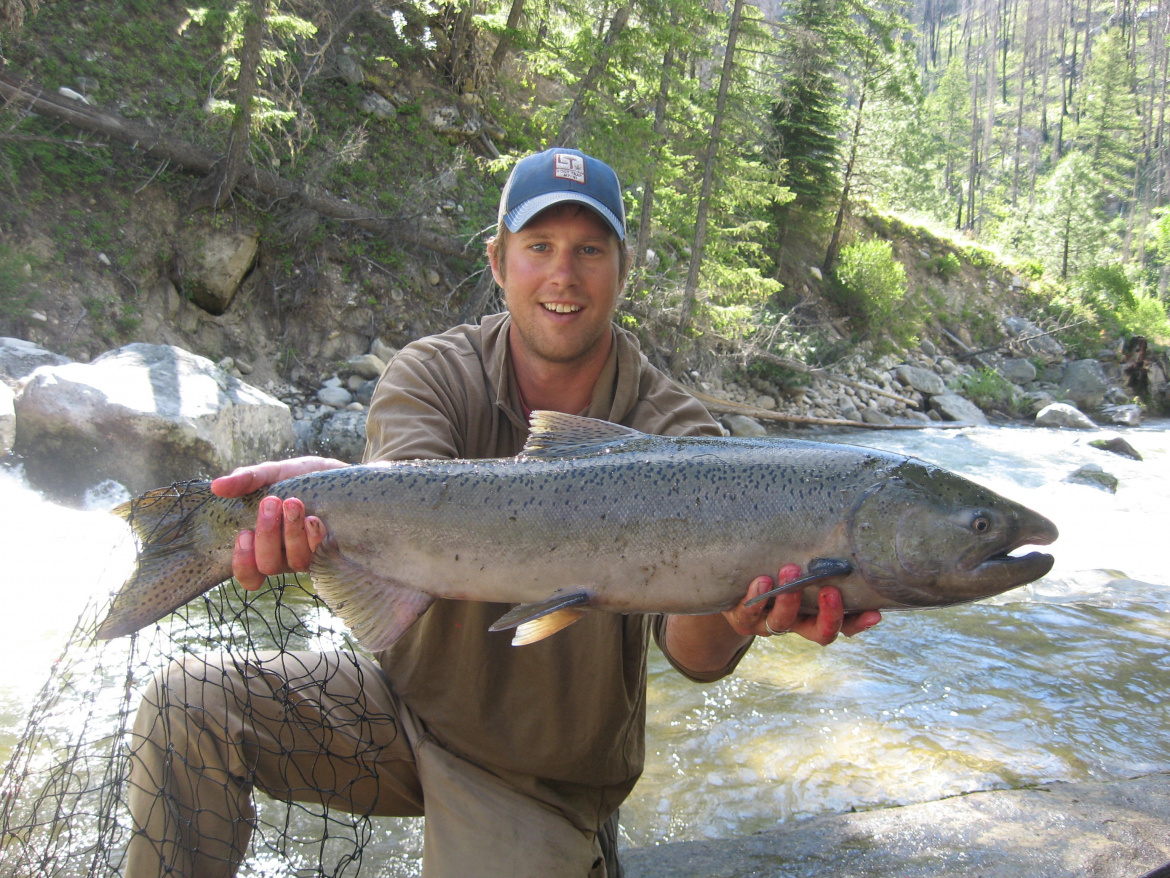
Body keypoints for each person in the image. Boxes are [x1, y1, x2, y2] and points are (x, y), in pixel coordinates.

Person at [125, 148, 881, 878]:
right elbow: (404, 496)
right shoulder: (431, 372)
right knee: (185, 704)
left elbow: (696, 656)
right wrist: (325, 495)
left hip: (542, 772)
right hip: (400, 713)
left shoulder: (681, 439)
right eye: (540, 245)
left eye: (590, 250)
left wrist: (741, 612)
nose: (562, 274)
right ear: (497, 261)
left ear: (622, 270)